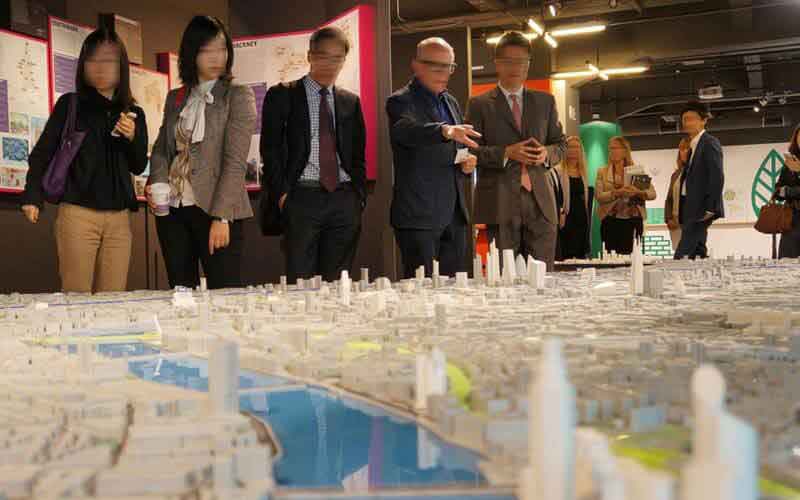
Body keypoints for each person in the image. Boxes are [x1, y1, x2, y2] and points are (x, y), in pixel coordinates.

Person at [21, 28, 147, 293]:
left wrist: (132, 136)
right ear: (83, 65)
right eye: (93, 59)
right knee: (76, 297)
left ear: (121, 65)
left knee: (113, 299)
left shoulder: (134, 112)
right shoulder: (71, 104)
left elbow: (137, 165)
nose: (100, 67)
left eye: (109, 59)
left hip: (119, 219)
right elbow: (43, 152)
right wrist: (32, 195)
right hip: (78, 214)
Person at [147, 16, 256, 289]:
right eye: (206, 50)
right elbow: (162, 148)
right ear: (191, 53)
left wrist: (222, 216)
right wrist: (157, 182)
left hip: (216, 210)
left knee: (224, 294)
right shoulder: (177, 97)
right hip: (173, 210)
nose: (216, 57)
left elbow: (234, 162)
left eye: (221, 49)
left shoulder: (238, 95)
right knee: (181, 292)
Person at [261, 27, 366, 283]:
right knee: (301, 282)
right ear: (310, 56)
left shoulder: (350, 101)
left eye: (337, 58)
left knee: (338, 282)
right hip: (302, 197)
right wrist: (284, 195)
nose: (330, 64)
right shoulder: (283, 94)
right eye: (323, 56)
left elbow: (358, 153)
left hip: (343, 197)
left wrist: (358, 196)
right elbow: (270, 149)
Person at [465, 31, 567, 270]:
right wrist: (505, 153)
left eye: (522, 61)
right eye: (509, 61)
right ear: (497, 64)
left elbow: (561, 145)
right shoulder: (479, 105)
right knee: (503, 280)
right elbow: (469, 151)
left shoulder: (545, 102)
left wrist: (546, 154)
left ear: (528, 65)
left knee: (544, 279)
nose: (516, 67)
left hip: (541, 203)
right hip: (499, 202)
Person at [387, 37, 478, 279]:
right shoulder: (400, 100)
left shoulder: (451, 101)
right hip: (419, 216)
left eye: (448, 66)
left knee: (455, 291)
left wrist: (466, 163)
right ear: (415, 64)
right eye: (435, 65)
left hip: (454, 215)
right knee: (421, 293)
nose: (444, 72)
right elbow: (407, 130)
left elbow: (455, 149)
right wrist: (444, 130)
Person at [674, 100, 724, 259]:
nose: (687, 122)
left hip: (701, 206)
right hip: (689, 204)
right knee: (697, 249)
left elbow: (717, 175)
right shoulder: (692, 146)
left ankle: (674, 278)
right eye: (684, 119)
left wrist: (711, 206)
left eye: (691, 118)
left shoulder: (709, 142)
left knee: (683, 254)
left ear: (704, 120)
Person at [595, 136, 656, 255]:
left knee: (632, 257)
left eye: (616, 148)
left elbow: (652, 194)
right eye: (610, 148)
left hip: (633, 221)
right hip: (611, 221)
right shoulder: (602, 172)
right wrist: (617, 192)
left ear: (624, 151)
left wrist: (638, 192)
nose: (612, 151)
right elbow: (599, 196)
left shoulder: (636, 171)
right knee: (611, 257)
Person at [555, 136, 591, 260]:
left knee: (581, 257)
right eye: (570, 147)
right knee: (566, 256)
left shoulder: (583, 172)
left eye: (577, 147)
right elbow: (555, 197)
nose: (574, 150)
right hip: (566, 219)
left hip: (581, 220)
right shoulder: (557, 171)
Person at [775, 124, 800, 258]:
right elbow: (778, 188)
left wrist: (789, 191)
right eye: (799, 136)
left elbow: (788, 191)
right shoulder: (789, 162)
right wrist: (781, 191)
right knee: (786, 264)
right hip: (791, 220)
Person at [664, 138, 691, 251]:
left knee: (693, 257)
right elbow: (669, 199)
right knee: (678, 257)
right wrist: (668, 219)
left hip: (692, 223)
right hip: (675, 224)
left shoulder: (700, 172)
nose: (684, 152)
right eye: (681, 149)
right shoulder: (675, 174)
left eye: (687, 149)